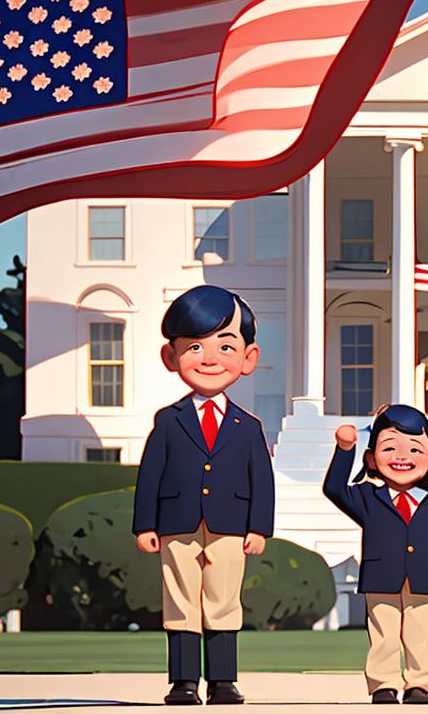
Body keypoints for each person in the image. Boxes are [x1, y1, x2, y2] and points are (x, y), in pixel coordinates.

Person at [133, 285, 275, 705]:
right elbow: (150, 475)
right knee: (179, 601)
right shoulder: (168, 420)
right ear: (171, 357)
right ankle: (183, 682)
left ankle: (223, 681)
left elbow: (261, 481)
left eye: (225, 346)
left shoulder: (248, 427)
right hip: (177, 523)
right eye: (194, 346)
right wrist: (145, 524)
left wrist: (259, 527)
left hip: (230, 525)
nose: (209, 358)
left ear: (248, 358)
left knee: (223, 600)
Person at [324, 404, 428, 704]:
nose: (402, 458)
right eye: (389, 448)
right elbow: (334, 489)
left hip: (424, 577)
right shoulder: (366, 497)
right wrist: (344, 449)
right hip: (380, 575)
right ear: (372, 459)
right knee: (382, 634)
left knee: (420, 636)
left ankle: (419, 684)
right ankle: (383, 684)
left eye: (415, 450)